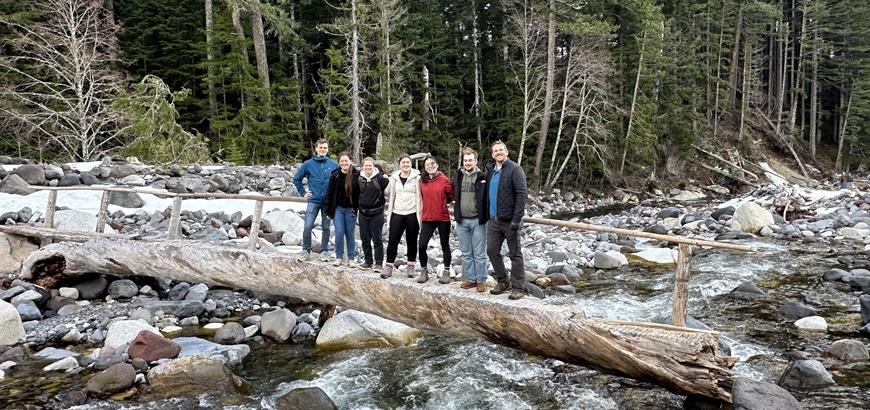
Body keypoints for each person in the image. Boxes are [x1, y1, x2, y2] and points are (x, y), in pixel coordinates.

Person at [483, 140, 528, 300]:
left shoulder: (515, 169)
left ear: (506, 152)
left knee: (515, 254)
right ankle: (503, 281)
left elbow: (521, 194)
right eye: (495, 151)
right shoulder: (491, 170)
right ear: (492, 154)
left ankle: (518, 287)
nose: (498, 153)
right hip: (493, 220)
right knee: (491, 251)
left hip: (510, 220)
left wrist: (517, 219)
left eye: (501, 150)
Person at [293, 139, 338, 261]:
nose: (323, 149)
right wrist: (303, 192)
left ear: (327, 149)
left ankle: (324, 252)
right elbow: (297, 179)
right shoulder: (308, 164)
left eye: (325, 148)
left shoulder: (333, 165)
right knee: (308, 226)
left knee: (326, 227)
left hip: (327, 202)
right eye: (321, 147)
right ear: (316, 149)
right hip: (314, 200)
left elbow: (340, 181)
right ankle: (305, 251)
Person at [452, 148, 488, 292]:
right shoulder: (458, 175)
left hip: (477, 220)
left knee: (479, 253)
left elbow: (488, 196)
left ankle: (481, 280)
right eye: (465, 160)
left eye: (470, 160)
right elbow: (451, 191)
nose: (467, 163)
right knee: (466, 253)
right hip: (461, 221)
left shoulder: (483, 176)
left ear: (476, 161)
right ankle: (471, 279)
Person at [381, 154, 422, 279]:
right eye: (403, 162)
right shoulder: (394, 178)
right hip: (397, 213)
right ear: (400, 165)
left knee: (412, 241)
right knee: (393, 240)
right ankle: (389, 266)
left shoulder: (417, 178)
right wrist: (384, 180)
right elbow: (387, 192)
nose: (406, 164)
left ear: (411, 164)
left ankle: (411, 266)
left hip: (412, 213)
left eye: (408, 162)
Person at [417, 156, 455, 283]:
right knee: (422, 245)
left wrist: (442, 203)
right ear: (425, 167)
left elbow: (451, 196)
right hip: (428, 217)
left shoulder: (444, 180)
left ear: (437, 165)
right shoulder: (422, 181)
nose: (430, 166)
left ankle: (446, 271)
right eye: (427, 164)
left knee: (445, 244)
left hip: (442, 217)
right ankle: (424, 271)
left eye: (432, 163)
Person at [324, 152, 360, 267]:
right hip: (338, 209)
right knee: (339, 233)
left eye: (346, 161)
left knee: (350, 234)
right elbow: (329, 194)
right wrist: (329, 211)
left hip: (351, 209)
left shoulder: (357, 175)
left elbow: (361, 192)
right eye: (342, 161)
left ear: (351, 162)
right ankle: (338, 256)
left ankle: (351, 258)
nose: (344, 163)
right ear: (339, 163)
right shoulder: (335, 175)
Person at [358, 157, 389, 272]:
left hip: (377, 212)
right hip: (363, 212)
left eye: (370, 165)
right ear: (362, 167)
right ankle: (368, 261)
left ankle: (379, 263)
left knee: (377, 239)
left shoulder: (381, 179)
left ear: (374, 166)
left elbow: (388, 189)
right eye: (366, 166)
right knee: (365, 238)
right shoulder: (359, 178)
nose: (368, 167)